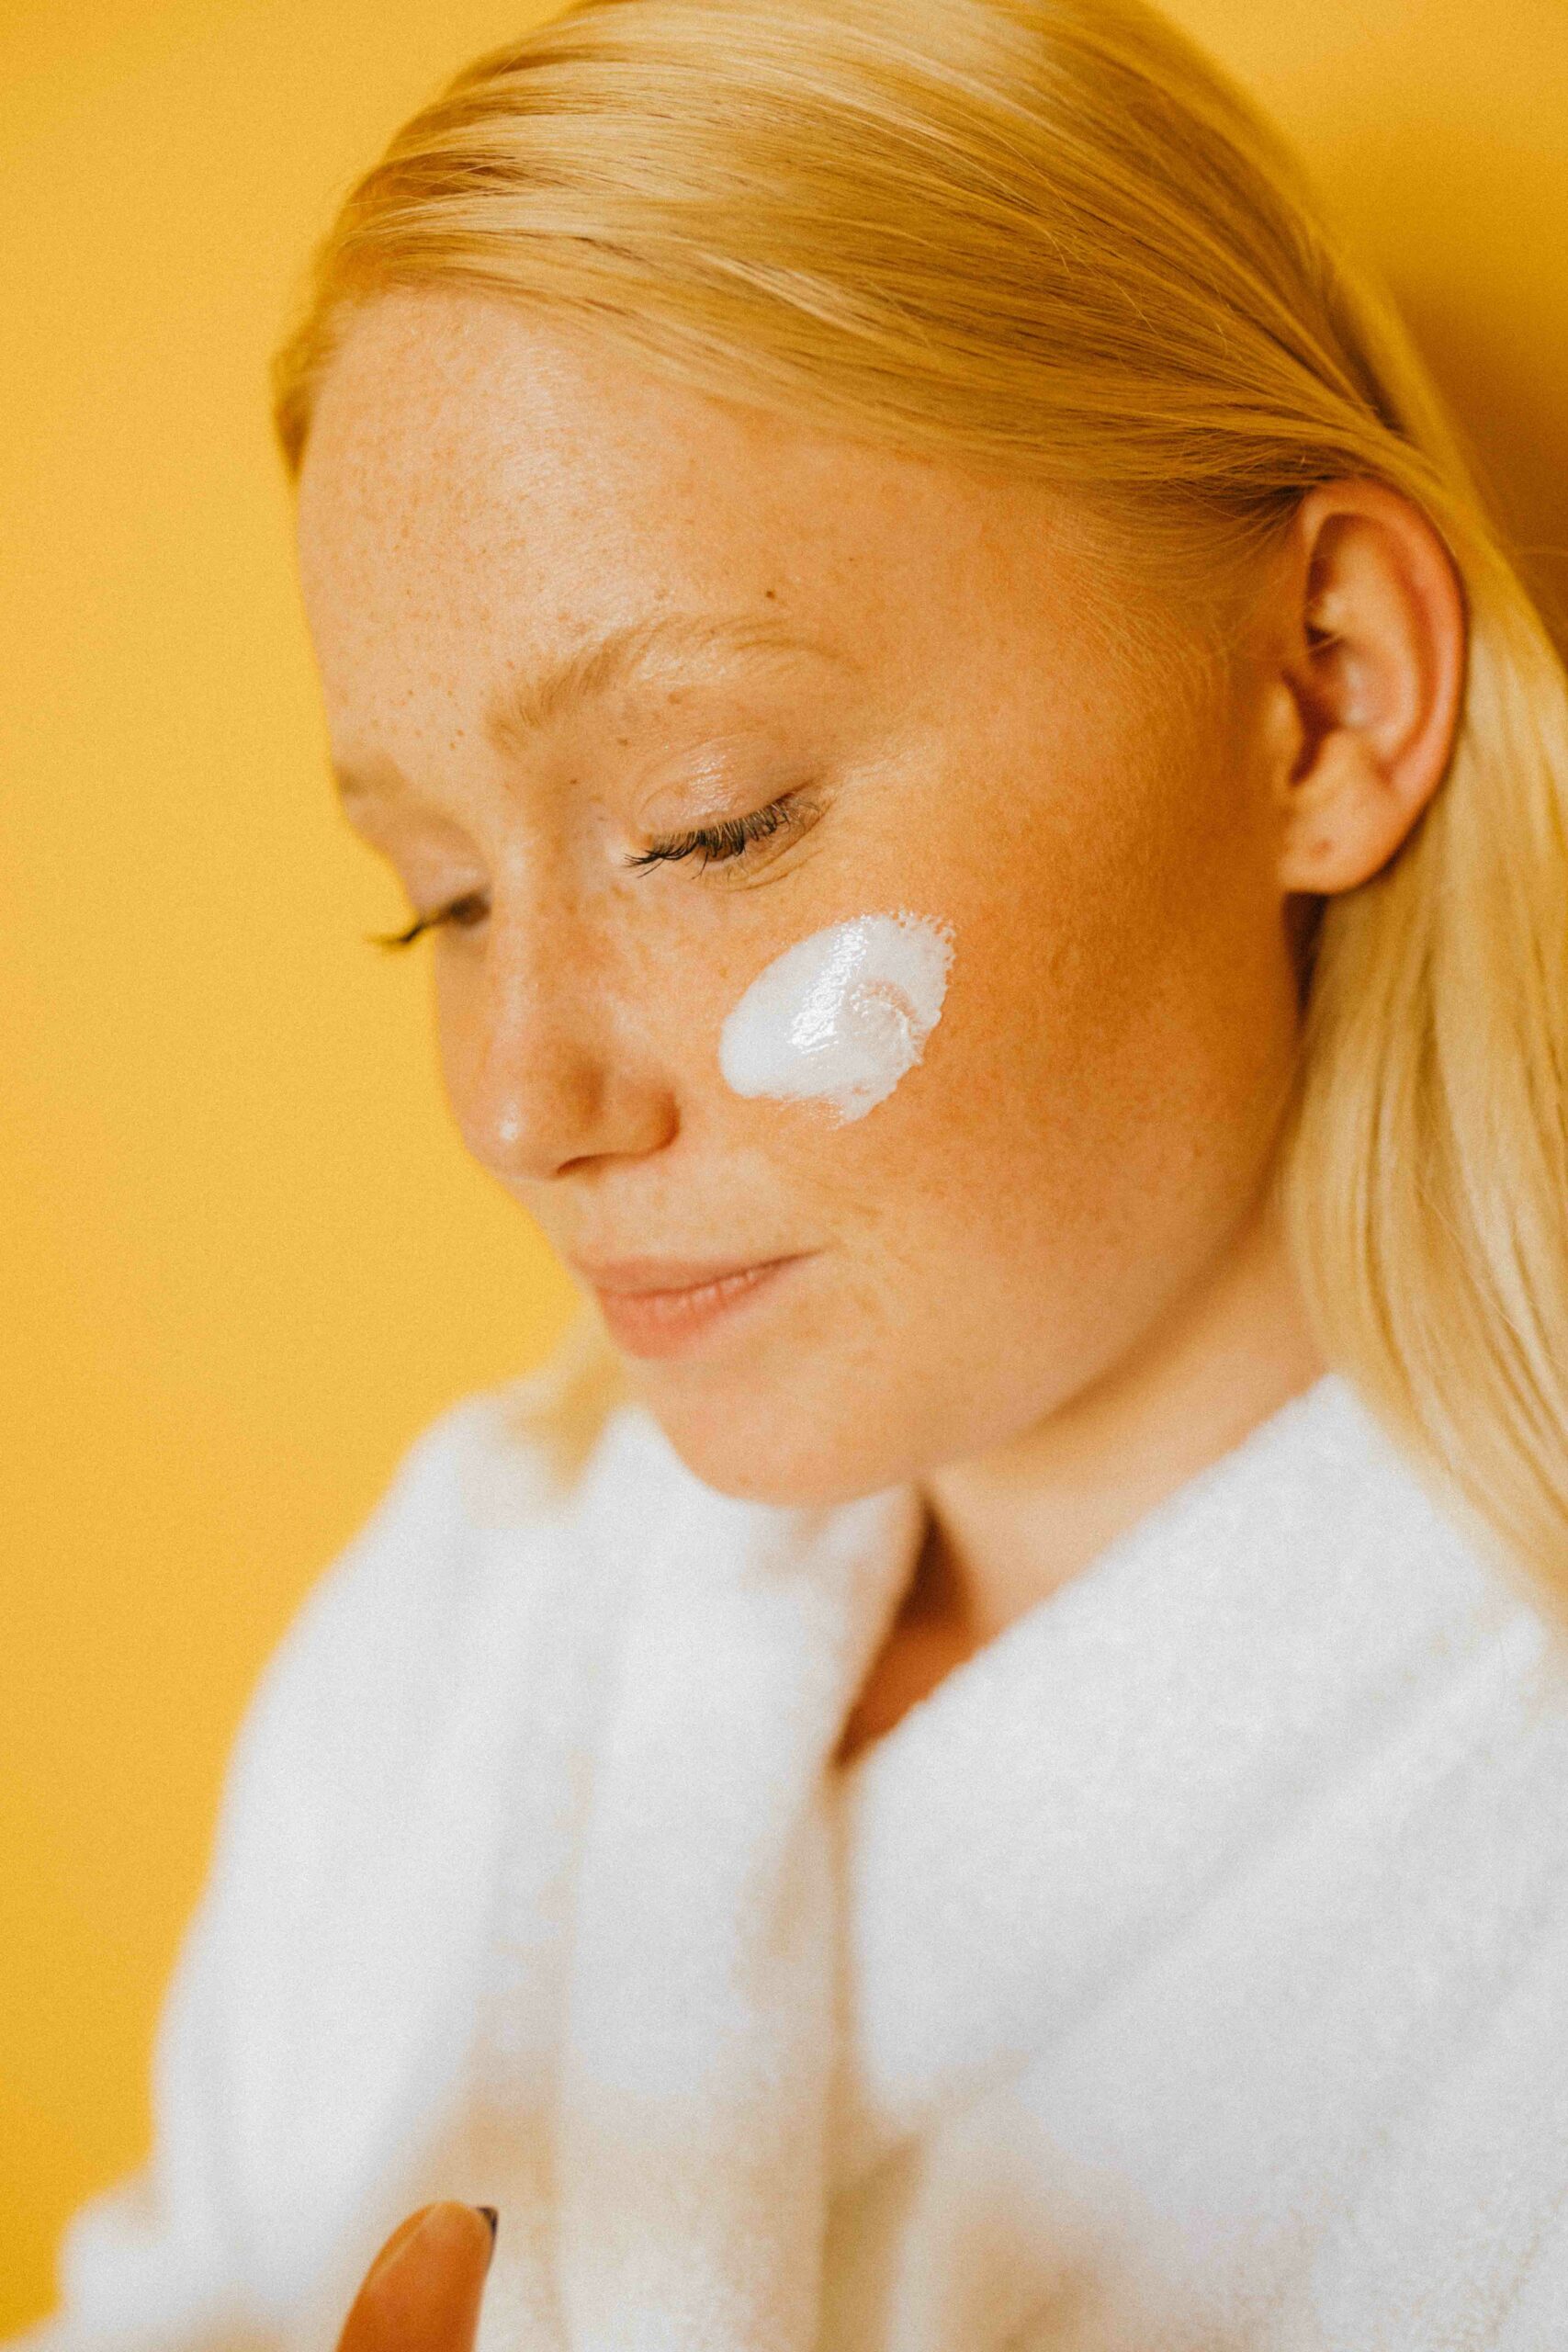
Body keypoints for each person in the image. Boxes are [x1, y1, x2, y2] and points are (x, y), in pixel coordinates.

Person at [18, 0, 1568, 2346]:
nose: (523, 1096)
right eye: (434, 891)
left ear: (1322, 695)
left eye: (704, 819)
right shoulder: (461, 1624)